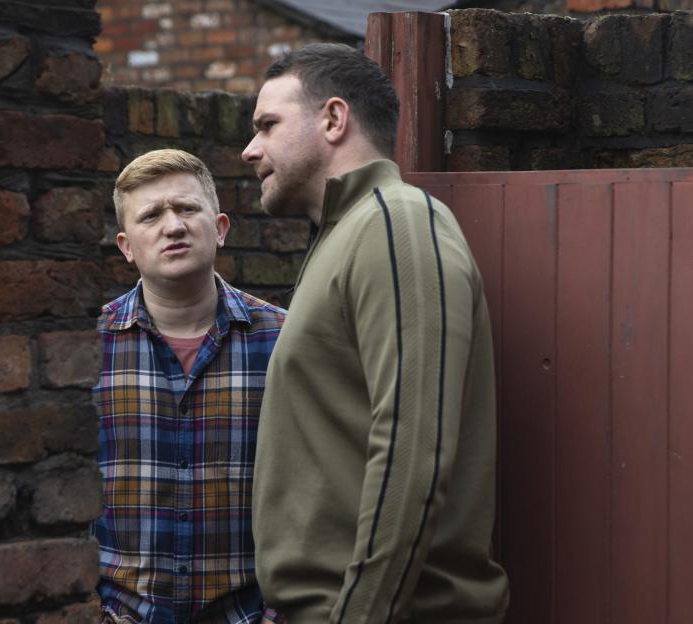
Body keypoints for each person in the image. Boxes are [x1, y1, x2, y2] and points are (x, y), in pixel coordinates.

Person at [241, 44, 510, 623]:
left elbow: (413, 455)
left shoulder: (397, 224)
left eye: (267, 125)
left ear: (334, 119)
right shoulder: (347, 234)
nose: (250, 149)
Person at [91, 149, 286, 624]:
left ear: (220, 228)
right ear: (126, 247)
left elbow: (318, 487)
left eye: (187, 208)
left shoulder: (284, 339)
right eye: (151, 215)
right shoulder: (87, 348)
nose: (173, 226)